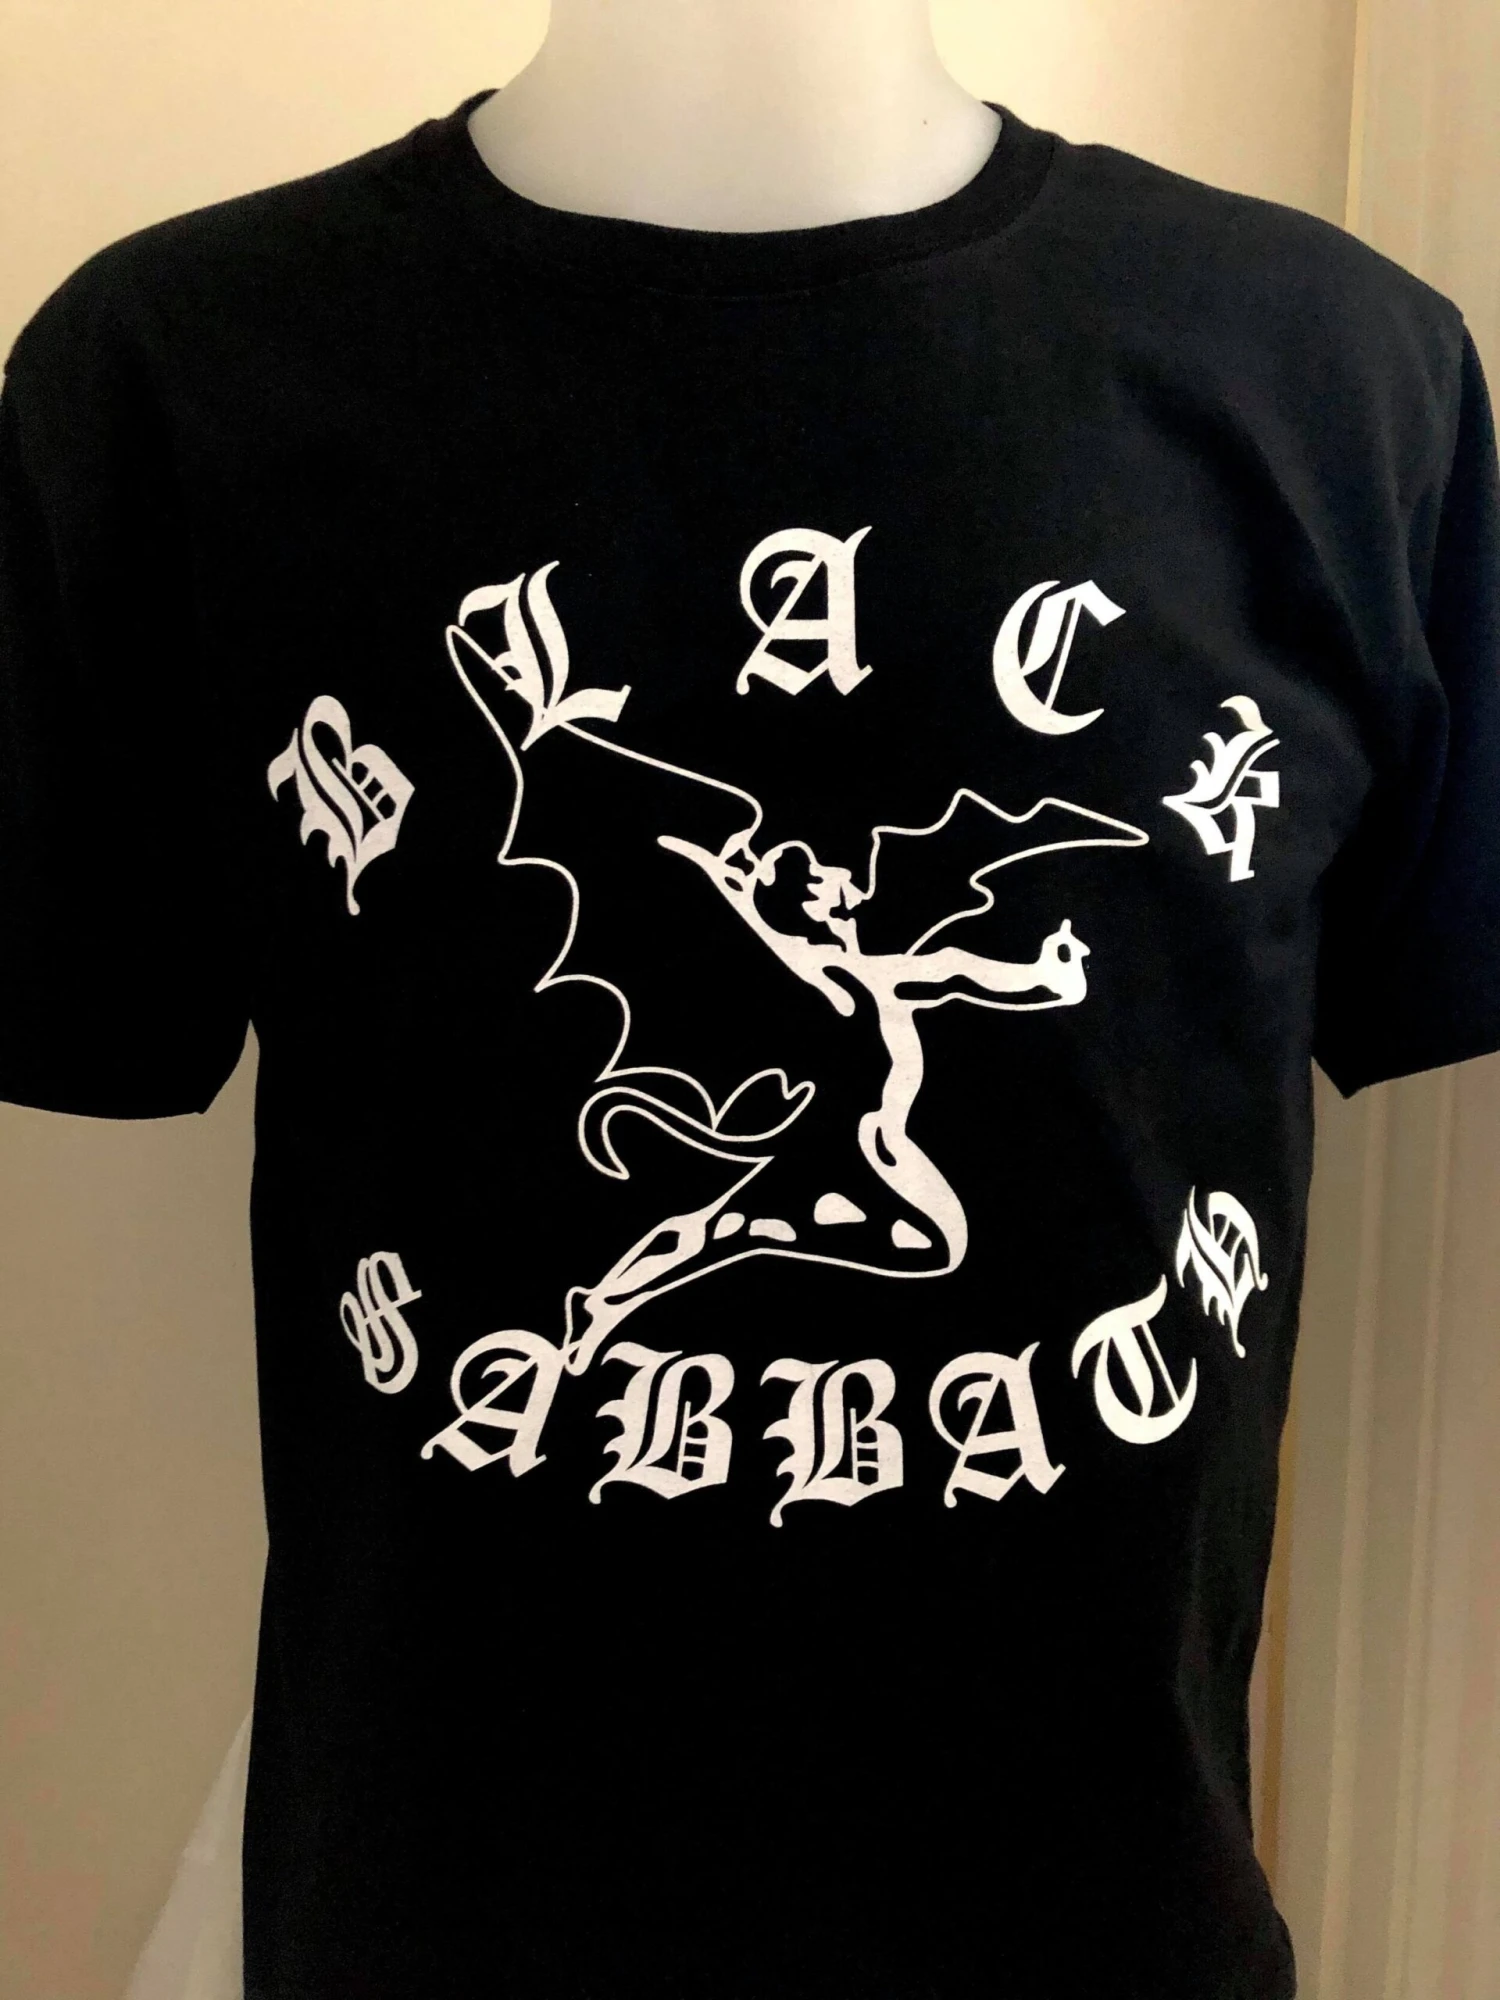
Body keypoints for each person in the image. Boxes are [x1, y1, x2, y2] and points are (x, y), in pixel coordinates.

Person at [5, 4, 1500, 1996]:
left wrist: (1026, 954)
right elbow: (127, 1015)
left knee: (891, 1222)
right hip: (443, 1913)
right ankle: (629, 1284)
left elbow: (948, 956)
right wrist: (561, 752)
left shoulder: (1339, 380)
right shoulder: (164, 379)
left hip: (1096, 1921)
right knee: (722, 1222)